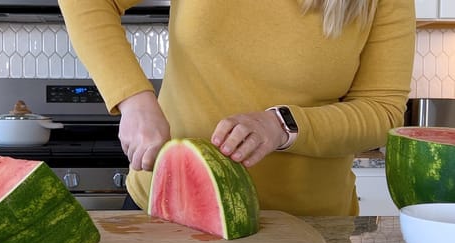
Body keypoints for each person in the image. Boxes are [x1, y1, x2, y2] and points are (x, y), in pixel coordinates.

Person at [58, 0, 416, 216]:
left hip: (309, 226)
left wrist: (282, 125)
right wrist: (134, 99)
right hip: (170, 207)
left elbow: (382, 110)